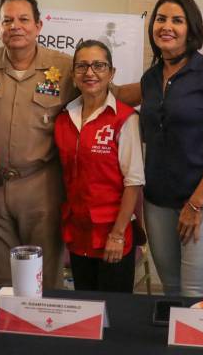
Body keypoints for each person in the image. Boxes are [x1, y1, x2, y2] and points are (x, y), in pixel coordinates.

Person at [0, 0, 77, 289]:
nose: (15, 26)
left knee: (44, 280)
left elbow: (102, 97)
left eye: (24, 19)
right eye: (8, 20)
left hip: (41, 188)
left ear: (39, 26)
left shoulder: (64, 68)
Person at [139, 0, 203, 297]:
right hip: (157, 203)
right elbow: (114, 95)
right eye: (160, 19)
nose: (166, 26)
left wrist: (196, 203)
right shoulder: (150, 79)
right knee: (171, 292)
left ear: (191, 28)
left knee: (195, 296)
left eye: (177, 20)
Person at [53, 40, 143, 292]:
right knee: (85, 306)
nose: (89, 72)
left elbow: (134, 182)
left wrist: (117, 234)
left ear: (111, 73)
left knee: (114, 308)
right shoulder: (63, 118)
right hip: (78, 232)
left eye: (99, 66)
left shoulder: (125, 118)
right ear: (73, 75)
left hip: (113, 232)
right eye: (82, 66)